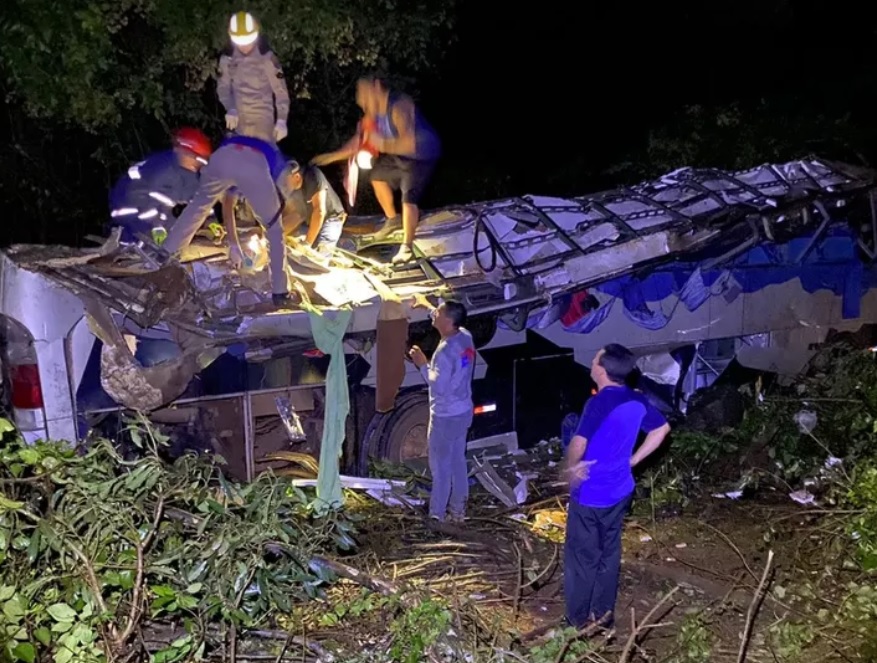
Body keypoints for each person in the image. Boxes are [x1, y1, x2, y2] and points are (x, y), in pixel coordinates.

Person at [563, 344, 672, 630]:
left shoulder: (599, 402)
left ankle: (575, 621)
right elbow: (661, 429)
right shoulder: (637, 400)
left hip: (591, 492)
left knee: (582, 558)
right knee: (609, 554)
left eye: (596, 356)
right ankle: (603, 617)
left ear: (603, 369)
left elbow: (579, 442)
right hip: (620, 489)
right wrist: (632, 460)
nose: (592, 359)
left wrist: (570, 468)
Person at [312, 77, 441, 264]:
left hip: (421, 154)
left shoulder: (399, 105)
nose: (362, 103)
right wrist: (331, 157)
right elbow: (359, 141)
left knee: (408, 196)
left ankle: (407, 247)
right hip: (399, 155)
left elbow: (409, 143)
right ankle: (393, 219)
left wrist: (380, 143)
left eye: (365, 97)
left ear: (377, 87)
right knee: (377, 176)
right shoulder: (372, 115)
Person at [161, 134, 297, 308]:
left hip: (222, 157)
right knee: (274, 228)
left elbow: (227, 203)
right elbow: (276, 212)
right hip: (252, 162)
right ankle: (281, 292)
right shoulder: (279, 167)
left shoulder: (251, 141)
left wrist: (234, 245)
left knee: (198, 207)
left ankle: (166, 253)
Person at [408, 296, 475, 523]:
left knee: (440, 468)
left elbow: (439, 385)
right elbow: (443, 316)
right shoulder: (465, 337)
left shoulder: (444, 353)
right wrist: (426, 306)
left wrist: (422, 364)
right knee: (458, 462)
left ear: (447, 321)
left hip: (445, 417)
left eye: (438, 311)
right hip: (463, 412)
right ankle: (458, 511)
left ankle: (436, 516)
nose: (434, 313)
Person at [108, 128, 212, 244]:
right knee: (155, 235)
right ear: (183, 152)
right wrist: (158, 227)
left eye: (201, 161)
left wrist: (211, 222)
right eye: (196, 159)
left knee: (175, 230)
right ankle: (126, 243)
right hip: (129, 203)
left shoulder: (188, 172)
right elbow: (154, 203)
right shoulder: (163, 169)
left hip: (153, 208)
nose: (197, 164)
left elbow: (199, 199)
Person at [225, 161, 347, 257]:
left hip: (332, 218)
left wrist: (307, 244)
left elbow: (320, 212)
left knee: (320, 257)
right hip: (311, 221)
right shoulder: (295, 193)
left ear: (297, 177)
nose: (284, 188)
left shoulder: (313, 176)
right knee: (291, 247)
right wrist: (268, 239)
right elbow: (295, 218)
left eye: (285, 184)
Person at [218, 11, 290, 144]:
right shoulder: (227, 59)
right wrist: (230, 108)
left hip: (263, 124)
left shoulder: (267, 58)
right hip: (238, 123)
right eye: (240, 42)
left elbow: (281, 92)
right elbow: (223, 88)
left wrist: (281, 120)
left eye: (247, 41)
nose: (244, 46)